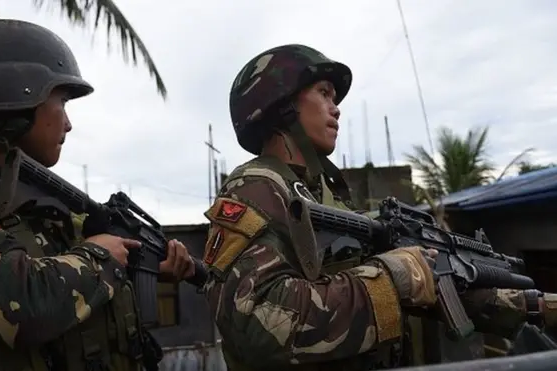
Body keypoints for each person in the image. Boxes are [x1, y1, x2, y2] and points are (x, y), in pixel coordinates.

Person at [200, 43, 557, 370]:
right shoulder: (254, 187)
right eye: (323, 93)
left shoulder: (323, 194)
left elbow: (436, 294)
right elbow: (255, 323)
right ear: (282, 104)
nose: (335, 108)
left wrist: (534, 306)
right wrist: (391, 278)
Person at [0, 19, 204, 371]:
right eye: (61, 100)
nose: (69, 123)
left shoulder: (34, 200)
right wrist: (104, 257)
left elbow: (76, 297)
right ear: (17, 97)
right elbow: (20, 303)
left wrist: (141, 268)